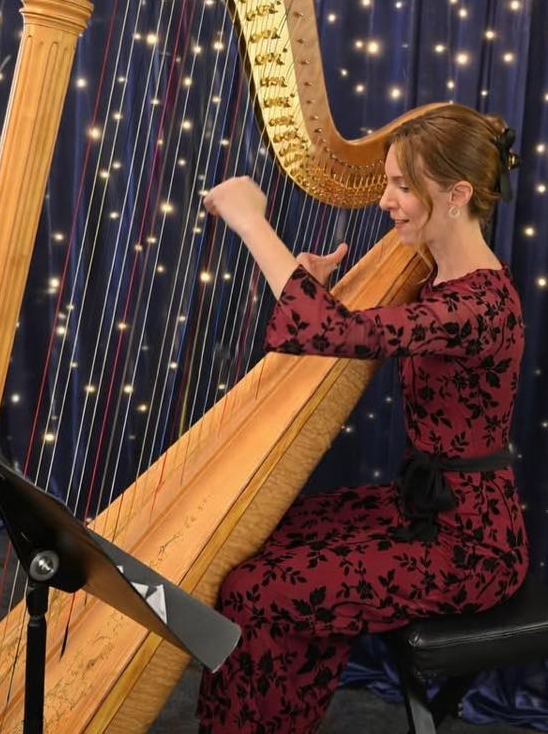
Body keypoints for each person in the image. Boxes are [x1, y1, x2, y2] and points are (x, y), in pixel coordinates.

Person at [194, 103, 527, 734]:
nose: (385, 201)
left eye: (404, 186)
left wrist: (250, 220)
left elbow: (325, 331)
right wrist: (312, 286)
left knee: (256, 591)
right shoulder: (440, 276)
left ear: (457, 194)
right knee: (267, 534)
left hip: (469, 545)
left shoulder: (478, 303)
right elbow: (331, 328)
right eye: (388, 184)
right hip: (423, 510)